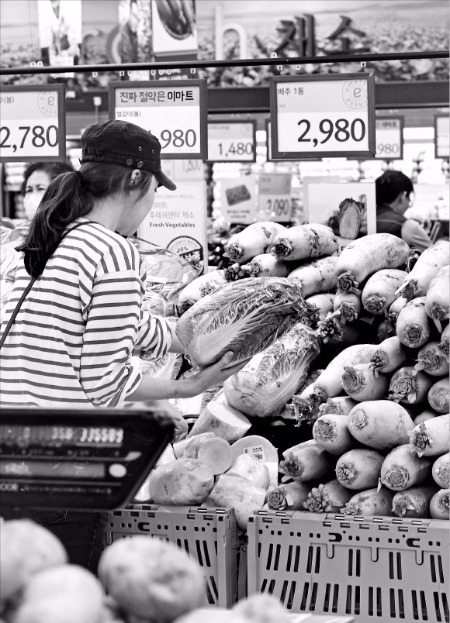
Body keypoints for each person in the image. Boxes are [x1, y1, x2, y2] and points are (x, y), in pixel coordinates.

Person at [0, 119, 244, 569]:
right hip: (63, 468)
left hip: (15, 458)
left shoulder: (50, 238)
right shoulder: (112, 251)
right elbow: (102, 383)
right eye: (154, 188)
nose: (152, 202)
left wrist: (198, 337)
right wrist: (187, 389)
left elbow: (123, 327)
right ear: (136, 180)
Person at [1, 161, 75, 314]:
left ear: (61, 193)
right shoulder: (15, 238)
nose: (32, 196)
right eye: (28, 190)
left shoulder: (70, 240)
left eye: (40, 189)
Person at [375, 170, 432, 251]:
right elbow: (437, 258)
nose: (409, 203)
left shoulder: (362, 221)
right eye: (409, 197)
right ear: (403, 196)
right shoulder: (409, 227)